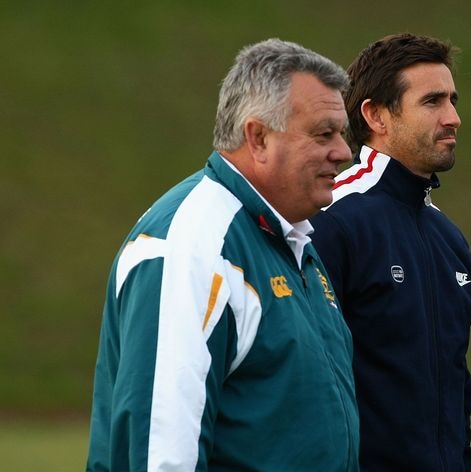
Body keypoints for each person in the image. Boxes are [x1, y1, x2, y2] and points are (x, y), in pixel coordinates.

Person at [86, 39, 359, 471]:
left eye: (341, 133)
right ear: (258, 137)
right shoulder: (195, 245)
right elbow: (161, 453)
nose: (344, 151)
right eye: (324, 133)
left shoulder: (289, 238)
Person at [309, 33, 471, 472]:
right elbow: (306, 380)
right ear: (376, 115)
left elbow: (456, 391)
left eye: (452, 100)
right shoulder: (331, 219)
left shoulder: (450, 240)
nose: (453, 117)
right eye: (433, 102)